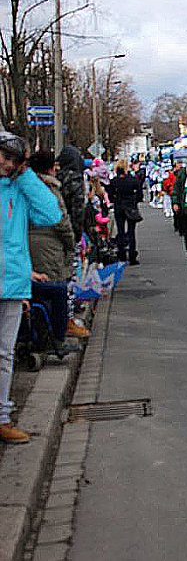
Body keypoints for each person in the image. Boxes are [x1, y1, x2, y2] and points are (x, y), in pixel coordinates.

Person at [0, 133, 62, 444]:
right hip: (12, 279)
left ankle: (2, 418)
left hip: (11, 284)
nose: (6, 164)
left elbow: (51, 214)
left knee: (4, 355)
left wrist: (25, 178)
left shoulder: (19, 188)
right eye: (4, 156)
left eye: (14, 161)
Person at [28, 151, 89, 344]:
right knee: (56, 289)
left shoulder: (26, 188)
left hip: (28, 247)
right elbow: (62, 221)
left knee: (38, 293)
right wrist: (72, 242)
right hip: (51, 247)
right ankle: (56, 334)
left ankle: (40, 333)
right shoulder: (50, 190)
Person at [107, 160, 144, 265]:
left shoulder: (114, 181)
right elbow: (140, 194)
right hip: (130, 206)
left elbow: (110, 195)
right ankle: (132, 256)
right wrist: (134, 201)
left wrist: (116, 200)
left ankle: (122, 254)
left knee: (121, 230)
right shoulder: (133, 180)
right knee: (131, 232)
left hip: (119, 206)